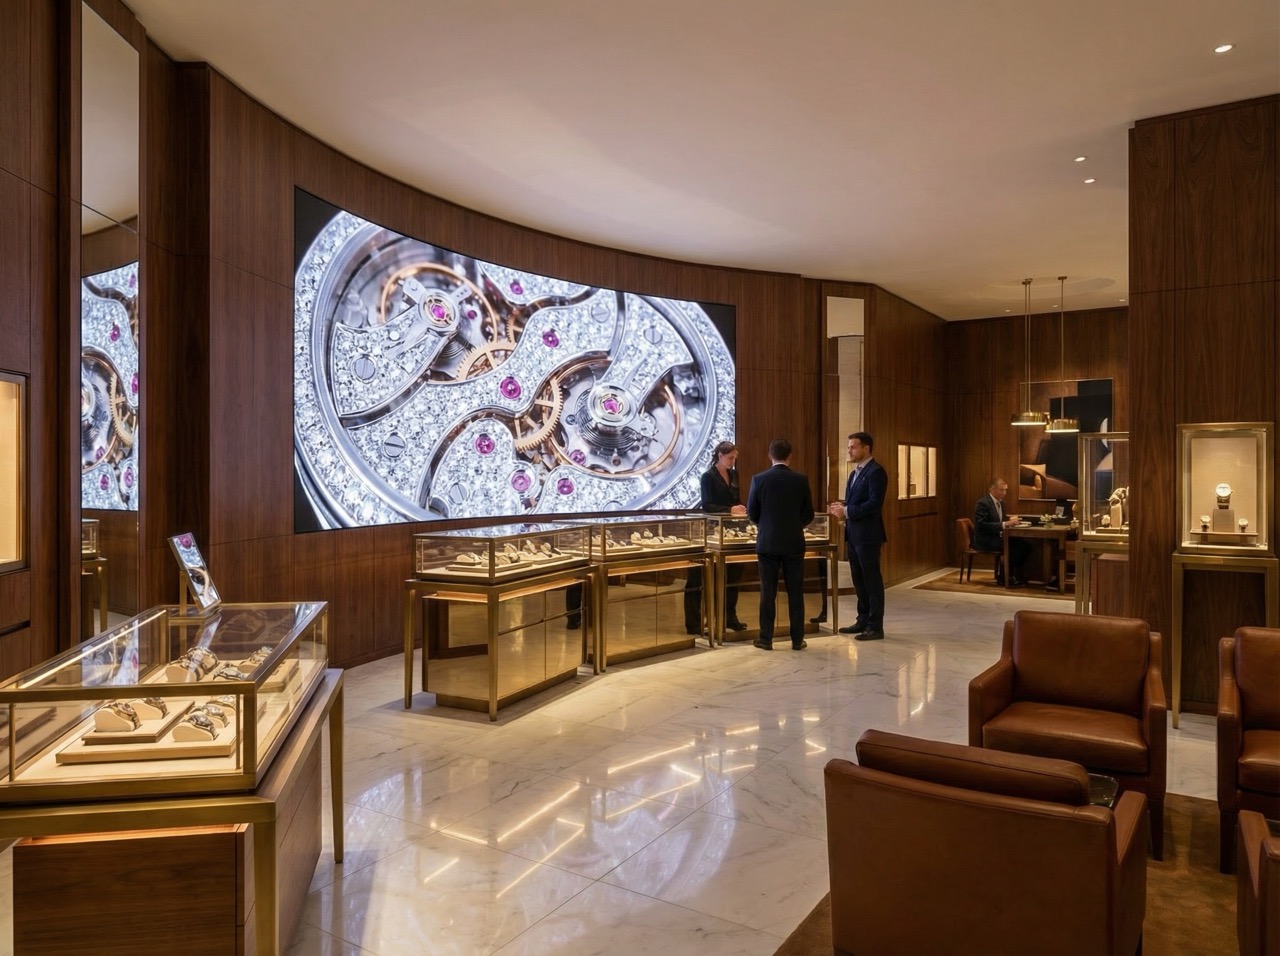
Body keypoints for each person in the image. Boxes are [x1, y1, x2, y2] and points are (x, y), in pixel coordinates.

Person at [746, 438, 815, 650]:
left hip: (767, 543)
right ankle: (797, 640)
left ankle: (766, 638)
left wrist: (767, 525)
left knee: (768, 592)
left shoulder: (759, 479)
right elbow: (809, 514)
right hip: (794, 543)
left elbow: (752, 513)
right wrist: (794, 526)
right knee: (796, 592)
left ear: (770, 455)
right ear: (790, 456)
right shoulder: (800, 480)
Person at [684, 440, 749, 634]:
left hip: (732, 530)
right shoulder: (708, 477)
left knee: (733, 576)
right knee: (699, 578)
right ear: (720, 456)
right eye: (730, 458)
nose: (733, 462)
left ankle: (729, 617)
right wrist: (730, 510)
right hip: (712, 531)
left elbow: (735, 499)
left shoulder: (734, 474)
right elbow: (707, 505)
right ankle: (695, 623)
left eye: (734, 458)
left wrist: (740, 509)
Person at [829, 431, 887, 640]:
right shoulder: (855, 473)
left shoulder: (876, 472)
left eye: (853, 447)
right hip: (853, 535)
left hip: (868, 536)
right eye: (849, 447)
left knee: (871, 581)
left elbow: (874, 503)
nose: (849, 451)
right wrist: (842, 507)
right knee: (859, 580)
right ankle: (862, 619)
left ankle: (875, 626)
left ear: (866, 448)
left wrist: (847, 511)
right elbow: (856, 502)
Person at [973, 478, 1028, 587]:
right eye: (1001, 490)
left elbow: (1000, 520)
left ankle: (1010, 575)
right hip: (985, 539)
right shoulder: (982, 503)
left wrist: (1011, 521)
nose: (1004, 493)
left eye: (1005, 490)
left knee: (1024, 545)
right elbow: (981, 525)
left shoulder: (1002, 503)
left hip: (998, 537)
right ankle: (1005, 577)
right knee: (1012, 548)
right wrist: (1005, 524)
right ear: (992, 489)